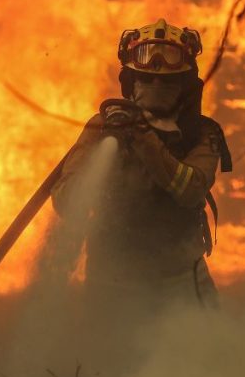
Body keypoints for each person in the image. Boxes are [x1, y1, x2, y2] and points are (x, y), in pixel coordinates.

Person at [50, 18, 231, 312]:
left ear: (184, 87)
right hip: (112, 282)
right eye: (146, 79)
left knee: (208, 354)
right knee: (108, 357)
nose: (156, 85)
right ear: (130, 83)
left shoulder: (202, 133)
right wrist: (106, 156)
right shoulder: (102, 127)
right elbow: (65, 199)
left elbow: (191, 189)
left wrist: (143, 138)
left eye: (168, 81)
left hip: (181, 283)